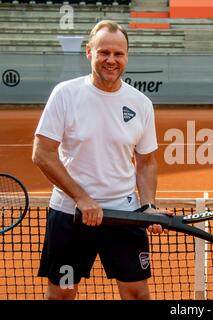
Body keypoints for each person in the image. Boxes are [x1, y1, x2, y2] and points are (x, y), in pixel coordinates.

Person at [32, 20, 170, 300]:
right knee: (62, 294)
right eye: (104, 52)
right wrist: (82, 198)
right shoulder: (66, 94)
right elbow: (42, 153)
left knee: (137, 295)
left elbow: (146, 162)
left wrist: (148, 206)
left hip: (124, 217)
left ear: (127, 56)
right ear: (89, 52)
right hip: (70, 217)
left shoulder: (140, 103)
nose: (111, 60)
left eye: (118, 54)